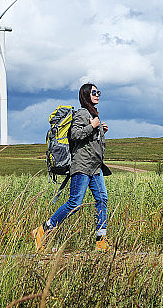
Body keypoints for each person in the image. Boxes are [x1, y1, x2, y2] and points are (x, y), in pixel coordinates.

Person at [33, 83, 112, 252]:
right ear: (85, 95)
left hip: (95, 167)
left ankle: (101, 240)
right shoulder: (82, 113)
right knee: (75, 203)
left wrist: (101, 130)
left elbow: (90, 140)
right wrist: (93, 126)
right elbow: (75, 135)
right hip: (82, 166)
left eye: (98, 92)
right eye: (94, 92)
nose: (97, 95)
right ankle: (43, 230)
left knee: (102, 199)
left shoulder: (92, 114)